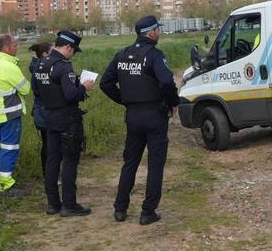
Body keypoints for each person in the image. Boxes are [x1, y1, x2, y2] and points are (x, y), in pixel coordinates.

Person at [100, 14, 180, 225]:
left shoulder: (122, 54)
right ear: (152, 32)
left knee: (130, 163)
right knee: (155, 164)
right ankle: (148, 211)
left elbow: (105, 84)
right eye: (158, 30)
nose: (159, 33)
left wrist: (125, 101)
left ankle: (120, 208)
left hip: (133, 116)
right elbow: (166, 82)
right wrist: (174, 102)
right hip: (154, 114)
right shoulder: (154, 55)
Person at [35, 29, 94, 217]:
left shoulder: (41, 64)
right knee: (69, 161)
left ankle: (53, 204)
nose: (74, 54)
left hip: (49, 117)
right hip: (68, 119)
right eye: (74, 50)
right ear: (68, 47)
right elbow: (71, 95)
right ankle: (69, 204)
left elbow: (37, 90)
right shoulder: (63, 66)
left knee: (52, 160)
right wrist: (83, 87)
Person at [0, 33, 31, 195]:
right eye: (15, 45)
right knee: (10, 149)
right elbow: (26, 89)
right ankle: (6, 185)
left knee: (4, 148)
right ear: (6, 48)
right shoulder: (9, 66)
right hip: (10, 115)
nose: (17, 48)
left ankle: (1, 179)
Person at [27, 40, 52, 179]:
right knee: (49, 144)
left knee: (47, 143)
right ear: (44, 54)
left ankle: (47, 174)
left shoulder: (36, 67)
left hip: (40, 110)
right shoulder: (44, 68)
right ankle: (49, 174)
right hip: (45, 110)